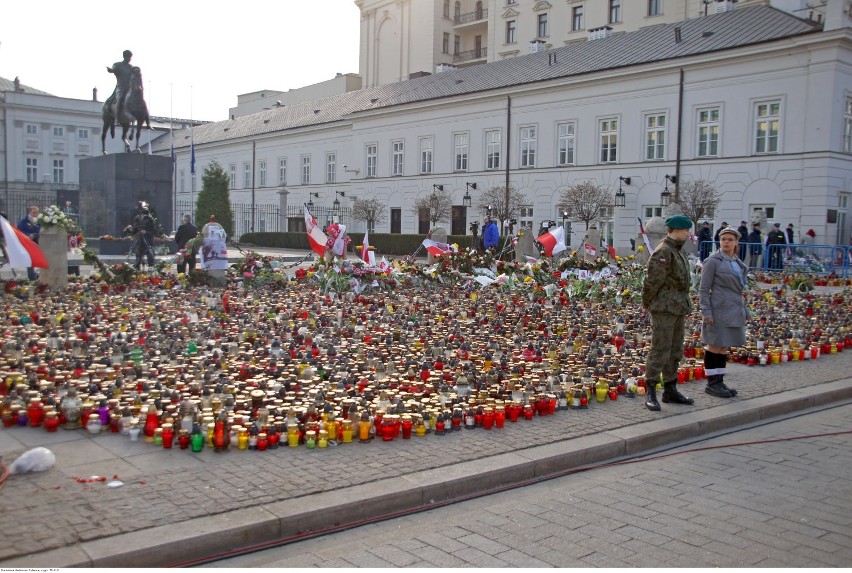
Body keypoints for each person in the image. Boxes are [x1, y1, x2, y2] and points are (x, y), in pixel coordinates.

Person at [641, 214, 695, 412]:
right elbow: (652, 281)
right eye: (686, 230)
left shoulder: (677, 250)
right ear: (676, 230)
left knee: (675, 349)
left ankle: (670, 389)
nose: (688, 234)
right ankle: (651, 390)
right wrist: (647, 303)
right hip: (664, 308)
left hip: (677, 307)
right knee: (660, 349)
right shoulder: (664, 251)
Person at [700, 227, 749, 398]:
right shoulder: (713, 261)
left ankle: (719, 380)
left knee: (723, 346)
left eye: (730, 239)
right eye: (723, 239)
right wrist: (706, 311)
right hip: (718, 309)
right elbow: (704, 289)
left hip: (733, 309)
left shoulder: (736, 262)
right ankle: (712, 383)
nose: (726, 242)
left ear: (736, 242)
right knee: (714, 345)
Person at [126, 201, 156, 269]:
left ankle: (151, 269)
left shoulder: (149, 219)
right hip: (140, 241)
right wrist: (129, 229)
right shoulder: (137, 219)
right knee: (138, 254)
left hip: (148, 240)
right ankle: (137, 269)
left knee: (150, 254)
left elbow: (154, 231)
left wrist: (146, 232)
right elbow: (134, 231)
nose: (141, 215)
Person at [107, 50, 133, 123]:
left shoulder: (130, 67)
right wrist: (111, 70)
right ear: (124, 57)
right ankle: (117, 118)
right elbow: (113, 70)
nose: (129, 59)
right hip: (120, 88)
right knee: (120, 98)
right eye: (128, 57)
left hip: (129, 88)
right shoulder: (118, 65)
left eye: (130, 57)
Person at [17, 206, 40, 280]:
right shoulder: (24, 221)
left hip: (38, 242)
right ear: (30, 212)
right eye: (34, 212)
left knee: (38, 259)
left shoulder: (39, 221)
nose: (35, 214)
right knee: (30, 260)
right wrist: (28, 235)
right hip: (28, 242)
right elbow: (20, 231)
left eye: (36, 213)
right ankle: (32, 277)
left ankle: (38, 275)